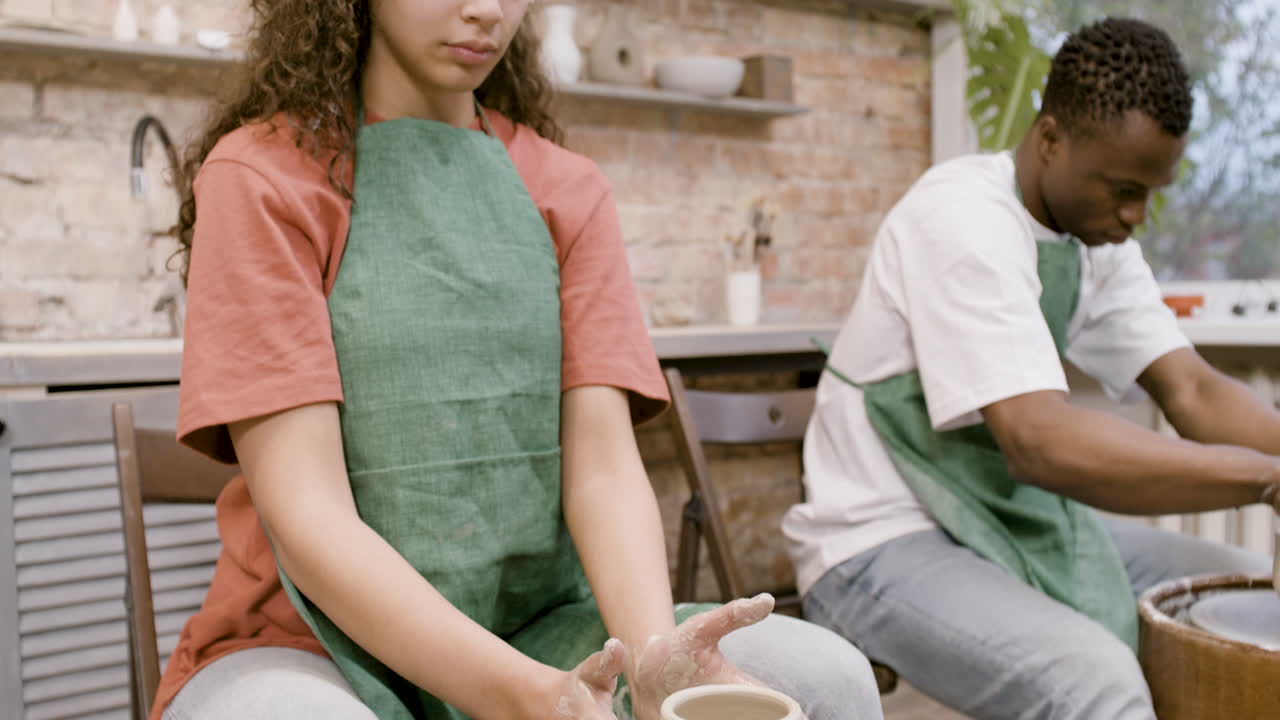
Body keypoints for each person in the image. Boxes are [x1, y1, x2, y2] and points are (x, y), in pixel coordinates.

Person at [154, 1, 884, 719]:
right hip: (306, 644)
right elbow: (308, 514)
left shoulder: (568, 189)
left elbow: (601, 467)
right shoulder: (261, 177)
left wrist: (656, 653)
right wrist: (527, 695)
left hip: (539, 626)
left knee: (834, 678)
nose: (486, 11)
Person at [783, 16, 1279, 720]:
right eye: (1121, 188)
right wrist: (1264, 479)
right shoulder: (962, 221)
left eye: (1150, 192)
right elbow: (1039, 443)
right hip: (879, 542)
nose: (1136, 213)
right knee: (1099, 684)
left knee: (1252, 591)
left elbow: (1191, 387)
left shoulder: (1096, 238)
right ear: (1049, 139)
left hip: (1009, 522)